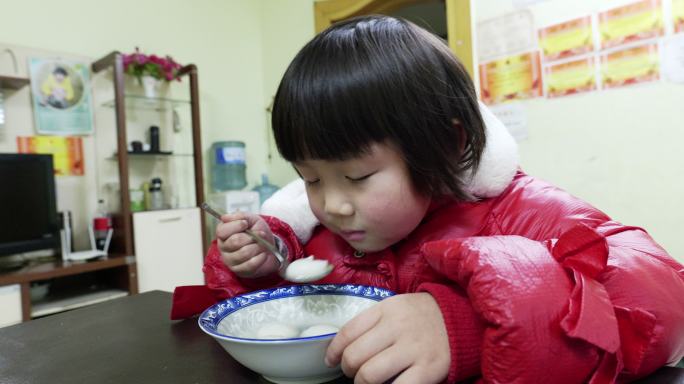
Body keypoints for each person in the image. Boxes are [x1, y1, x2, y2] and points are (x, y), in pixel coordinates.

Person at [172, 15, 684, 383]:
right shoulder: (326, 238)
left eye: (357, 175)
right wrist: (262, 265)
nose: (332, 205)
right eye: (309, 178)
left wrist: (468, 324)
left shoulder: (522, 211)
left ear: (448, 144)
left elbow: (660, 301)